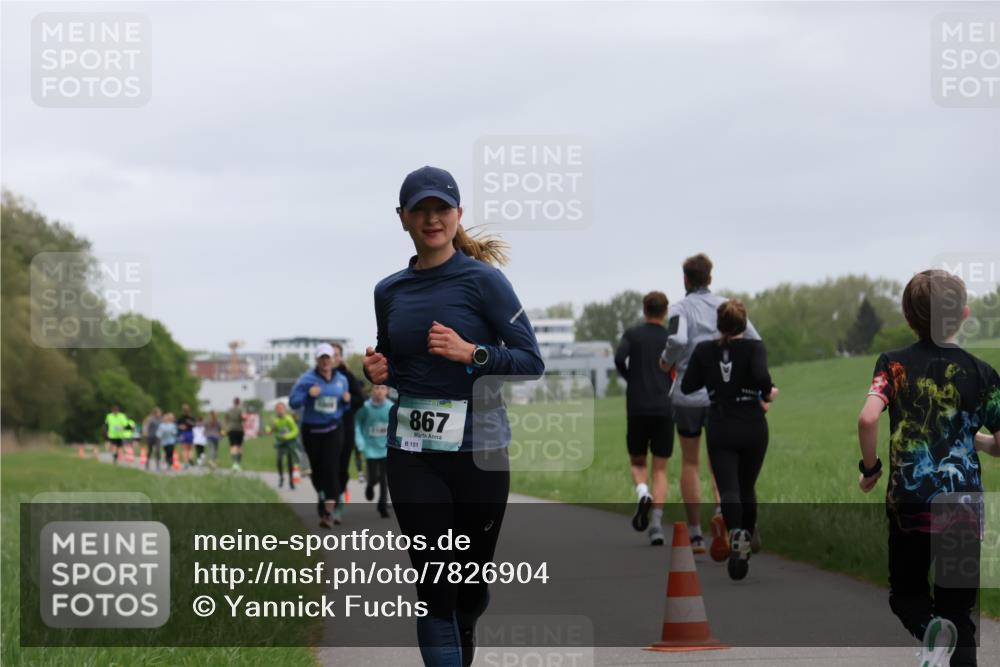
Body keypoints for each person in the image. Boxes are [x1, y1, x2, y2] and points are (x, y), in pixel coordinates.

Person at [364, 165, 544, 667]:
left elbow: (531, 361)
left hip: (480, 451)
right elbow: (394, 361)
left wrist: (473, 353)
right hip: (412, 453)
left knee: (469, 586)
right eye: (420, 210)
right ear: (402, 218)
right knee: (434, 585)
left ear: (458, 214)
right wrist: (375, 369)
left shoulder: (485, 282)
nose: (431, 219)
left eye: (441, 209)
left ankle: (468, 615)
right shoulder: (389, 291)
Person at [857, 270, 1000, 667]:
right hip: (963, 506)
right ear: (964, 314)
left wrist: (870, 469)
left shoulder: (893, 364)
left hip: (911, 504)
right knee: (960, 614)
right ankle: (946, 632)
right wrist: (977, 441)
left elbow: (868, 418)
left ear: (908, 318)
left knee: (907, 596)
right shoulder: (983, 373)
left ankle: (930, 629)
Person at [660, 253, 762, 555]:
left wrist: (666, 361)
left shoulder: (679, 308)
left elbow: (677, 340)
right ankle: (723, 517)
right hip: (723, 396)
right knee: (723, 462)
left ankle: (695, 535)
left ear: (685, 279)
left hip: (688, 396)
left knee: (690, 462)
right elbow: (754, 338)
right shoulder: (725, 306)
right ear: (710, 278)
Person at [680, 300, 777, 580]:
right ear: (744, 324)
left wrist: (712, 377)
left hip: (720, 425)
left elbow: (688, 386)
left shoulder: (704, 350)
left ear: (718, 324)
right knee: (747, 487)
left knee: (729, 488)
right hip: (752, 425)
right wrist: (768, 393)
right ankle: (747, 533)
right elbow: (762, 378)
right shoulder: (754, 347)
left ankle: (736, 534)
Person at [615, 291, 674, 546]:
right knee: (660, 468)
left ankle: (642, 493)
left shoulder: (632, 335)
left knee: (638, 462)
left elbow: (619, 358)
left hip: (637, 406)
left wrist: (631, 379)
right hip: (664, 406)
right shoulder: (670, 338)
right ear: (665, 311)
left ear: (644, 310)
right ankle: (657, 525)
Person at [289, 344, 351, 528]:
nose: (325, 361)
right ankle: (324, 495)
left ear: (333, 359)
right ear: (317, 360)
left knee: (331, 468)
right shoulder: (306, 379)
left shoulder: (342, 380)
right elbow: (293, 402)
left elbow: (344, 407)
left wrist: (346, 401)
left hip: (334, 429)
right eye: (322, 358)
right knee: (317, 471)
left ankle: (328, 513)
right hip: (312, 431)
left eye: (328, 357)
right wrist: (308, 394)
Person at [331, 341, 367, 522]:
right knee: (325, 467)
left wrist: (349, 398)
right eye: (329, 354)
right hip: (322, 430)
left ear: (340, 357)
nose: (332, 358)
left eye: (336, 355)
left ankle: (337, 503)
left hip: (345, 427)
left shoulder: (347, 376)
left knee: (341, 468)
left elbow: (361, 399)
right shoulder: (315, 378)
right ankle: (327, 499)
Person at [354, 384, 393, 518]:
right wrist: (360, 442)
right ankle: (370, 485)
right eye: (376, 388)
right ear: (371, 391)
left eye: (382, 388)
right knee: (374, 477)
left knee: (384, 478)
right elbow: (357, 424)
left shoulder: (390, 407)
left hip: (386, 447)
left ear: (387, 391)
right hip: (370, 447)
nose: (379, 391)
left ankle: (382, 506)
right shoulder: (365, 407)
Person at [265, 401, 301, 489]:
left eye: (281, 409)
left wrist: (287, 436)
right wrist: (268, 430)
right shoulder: (275, 420)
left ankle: (291, 481)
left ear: (285, 410)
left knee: (290, 461)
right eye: (278, 409)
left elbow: (296, 430)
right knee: (279, 460)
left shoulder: (288, 419)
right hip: (280, 443)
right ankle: (281, 477)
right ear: (276, 410)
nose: (280, 411)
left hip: (290, 442)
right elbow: (268, 427)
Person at [225, 398, 245, 471]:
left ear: (233, 402)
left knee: (233, 446)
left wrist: (227, 427)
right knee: (239, 447)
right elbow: (243, 418)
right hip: (239, 429)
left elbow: (226, 419)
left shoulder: (229, 410)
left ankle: (234, 463)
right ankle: (238, 463)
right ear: (239, 402)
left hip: (231, 429)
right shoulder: (240, 410)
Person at [176, 403, 196, 469]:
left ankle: (185, 463)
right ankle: (190, 458)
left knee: (184, 449)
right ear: (189, 410)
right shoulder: (191, 418)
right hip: (190, 433)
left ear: (182, 410)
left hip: (183, 434)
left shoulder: (180, 418)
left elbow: (177, 425)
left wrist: (181, 427)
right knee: (190, 449)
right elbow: (194, 425)